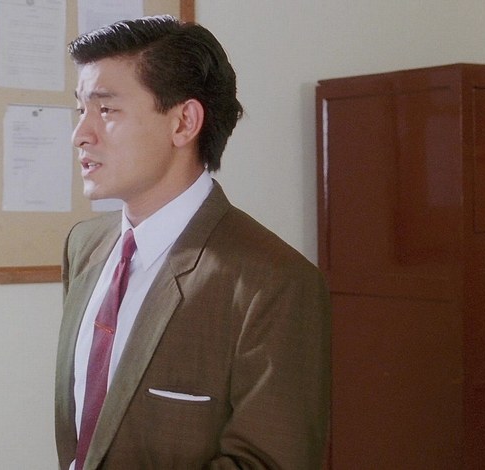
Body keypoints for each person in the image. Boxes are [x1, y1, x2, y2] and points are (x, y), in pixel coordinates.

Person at [54, 15, 331, 470]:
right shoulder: (84, 245)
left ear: (184, 122)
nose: (80, 134)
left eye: (106, 110)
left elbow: (268, 463)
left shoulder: (272, 282)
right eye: (80, 110)